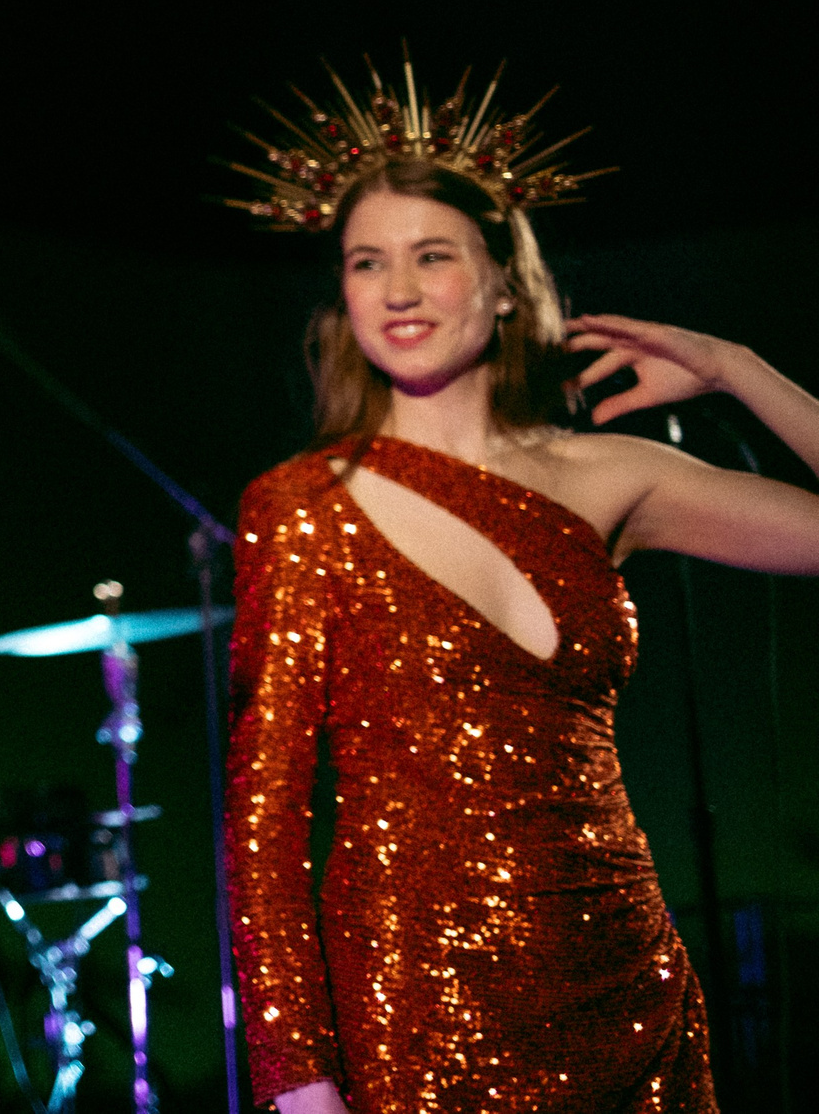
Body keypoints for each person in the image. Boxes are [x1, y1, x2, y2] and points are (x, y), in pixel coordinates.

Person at [220, 64, 819, 1113]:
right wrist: (295, 1074)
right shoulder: (303, 503)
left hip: (626, 981)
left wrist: (735, 367)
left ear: (503, 282)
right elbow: (263, 810)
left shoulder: (610, 476)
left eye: (431, 256)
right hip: (415, 1003)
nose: (397, 290)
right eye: (367, 263)